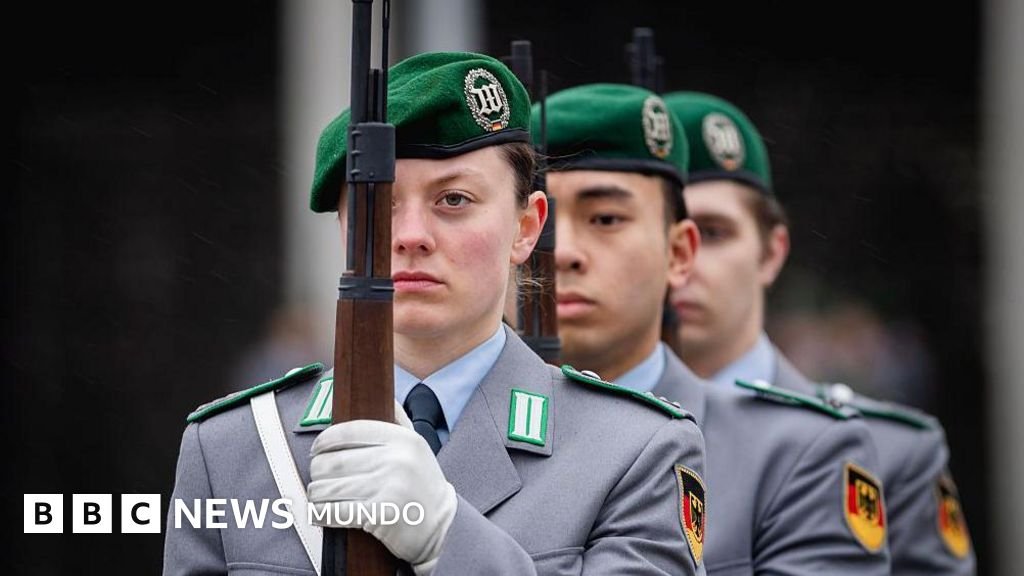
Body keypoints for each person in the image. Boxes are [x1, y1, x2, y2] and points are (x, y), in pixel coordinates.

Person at [164, 52, 708, 576]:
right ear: (343, 229)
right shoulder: (236, 448)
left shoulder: (633, 451)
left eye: (454, 200)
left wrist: (448, 538)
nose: (411, 237)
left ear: (526, 227)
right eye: (380, 205)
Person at [539, 81, 891, 574]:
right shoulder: (425, 430)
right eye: (542, 223)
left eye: (605, 218)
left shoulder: (795, 455)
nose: (567, 252)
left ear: (679, 253)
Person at [664, 90, 976, 575]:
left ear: (772, 252)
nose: (684, 262)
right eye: (664, 234)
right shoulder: (586, 435)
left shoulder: (889, 452)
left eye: (714, 232)